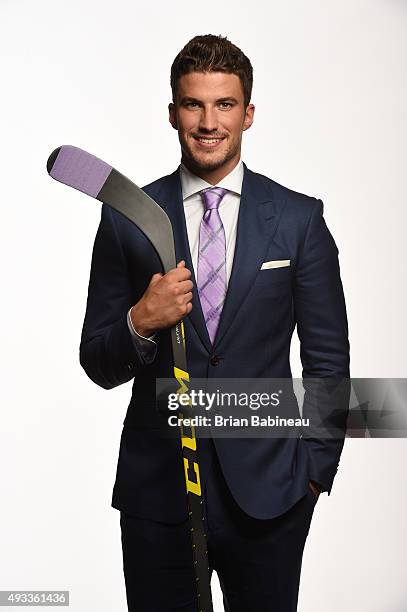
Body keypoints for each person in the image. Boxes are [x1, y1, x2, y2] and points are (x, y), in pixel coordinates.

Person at [80, 34, 350, 612]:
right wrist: (140, 322)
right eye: (193, 105)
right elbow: (98, 361)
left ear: (247, 114)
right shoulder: (128, 219)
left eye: (224, 105)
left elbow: (327, 360)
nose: (208, 122)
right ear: (173, 112)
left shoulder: (300, 221)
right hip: (159, 497)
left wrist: (314, 472)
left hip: (272, 496)